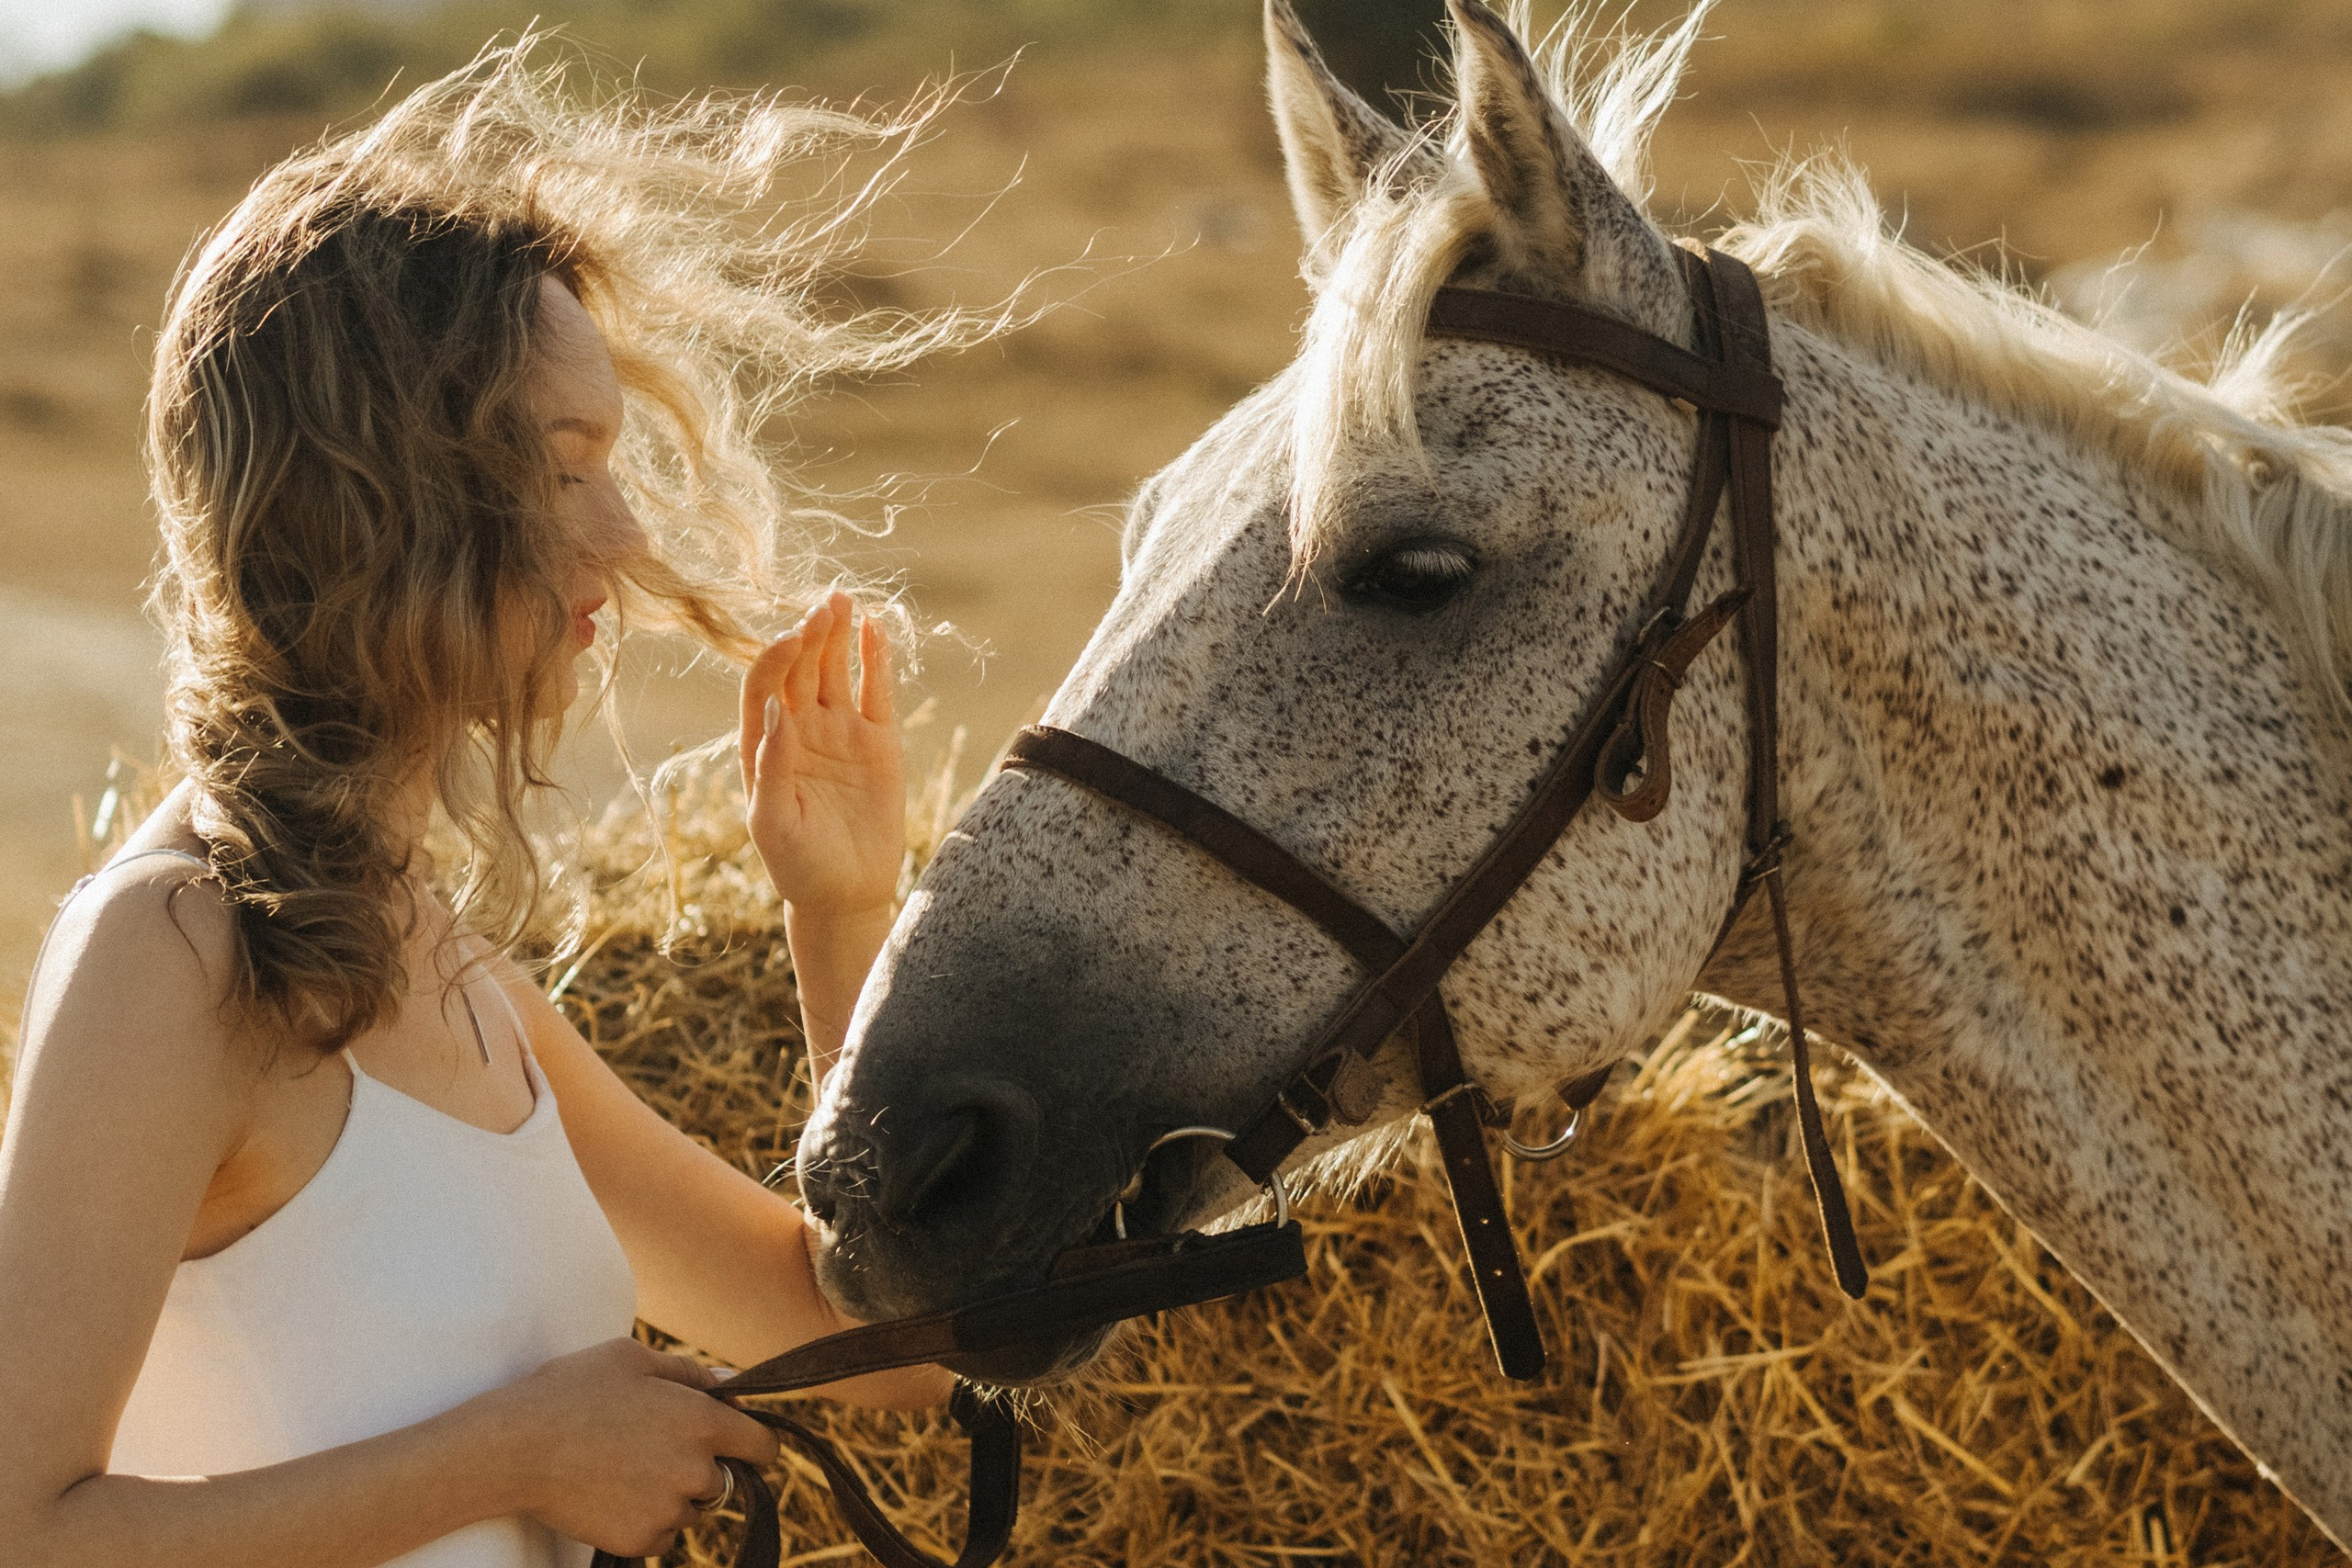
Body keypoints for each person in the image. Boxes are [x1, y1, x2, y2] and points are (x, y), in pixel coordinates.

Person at [0, 39, 972, 1568]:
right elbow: (24, 1526)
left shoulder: (459, 981)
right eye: (568, 466)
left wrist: (836, 914)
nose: (627, 533)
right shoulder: (173, 951)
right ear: (386, 494)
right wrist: (511, 1454)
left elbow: (890, 1348)